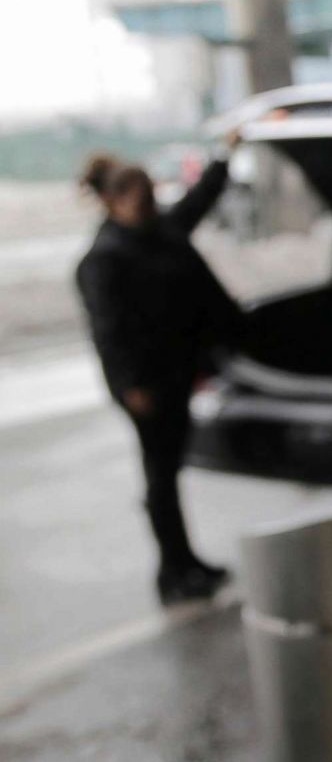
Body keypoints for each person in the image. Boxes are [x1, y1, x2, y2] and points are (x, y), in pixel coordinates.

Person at [75, 136, 245, 606]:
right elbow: (108, 333)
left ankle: (186, 561)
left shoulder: (159, 231)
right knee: (160, 476)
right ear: (111, 201)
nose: (150, 204)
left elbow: (200, 200)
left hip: (176, 372)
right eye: (140, 197)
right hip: (146, 386)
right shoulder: (104, 259)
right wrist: (131, 386)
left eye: (152, 195)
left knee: (168, 471)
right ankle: (173, 570)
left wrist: (224, 157)